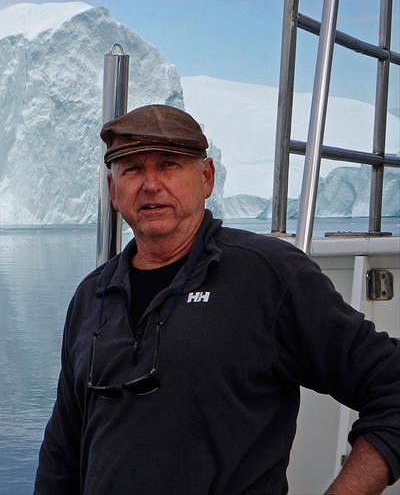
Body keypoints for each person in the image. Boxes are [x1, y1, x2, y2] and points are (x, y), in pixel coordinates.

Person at [34, 104, 399, 495]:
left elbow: (391, 384)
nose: (151, 184)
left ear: (206, 178)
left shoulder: (266, 275)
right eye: (132, 169)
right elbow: (64, 450)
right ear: (113, 190)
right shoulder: (93, 295)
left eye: (169, 164)